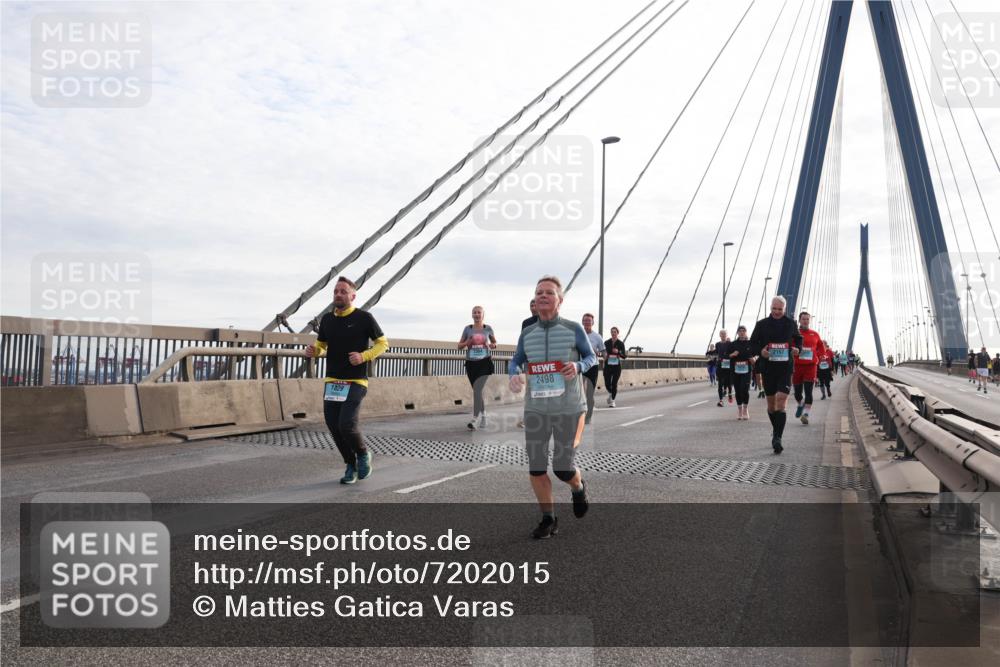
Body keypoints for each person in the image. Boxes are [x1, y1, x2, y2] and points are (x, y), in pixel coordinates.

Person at [509, 275, 596, 539]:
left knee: (562, 468)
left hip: (569, 407)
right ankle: (548, 518)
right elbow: (516, 361)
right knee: (536, 467)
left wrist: (579, 366)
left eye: (548, 292)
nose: (542, 296)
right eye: (538, 293)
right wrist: (513, 374)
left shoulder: (573, 329)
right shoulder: (527, 333)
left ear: (560, 300)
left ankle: (578, 486)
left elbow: (591, 356)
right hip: (536, 408)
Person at [306, 276, 389, 484]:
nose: (338, 294)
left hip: (356, 380)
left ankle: (363, 454)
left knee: (346, 424)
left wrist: (364, 356)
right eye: (335, 291)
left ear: (353, 296)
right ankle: (350, 464)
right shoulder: (327, 319)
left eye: (343, 291)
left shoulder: (364, 318)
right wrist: (313, 351)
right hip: (333, 380)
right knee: (334, 427)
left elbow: (383, 344)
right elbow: (321, 346)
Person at [749, 296, 801, 454]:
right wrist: (761, 352)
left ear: (784, 309)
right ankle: (776, 429)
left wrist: (798, 348)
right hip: (768, 368)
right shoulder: (761, 324)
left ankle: (777, 438)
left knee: (781, 400)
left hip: (785, 368)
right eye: (774, 309)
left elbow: (798, 339)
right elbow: (752, 344)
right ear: (770, 308)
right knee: (771, 406)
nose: (777, 312)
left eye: (780, 309)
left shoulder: (791, 323)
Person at [458, 306, 497, 430]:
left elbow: (494, 344)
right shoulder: (467, 329)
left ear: (483, 314)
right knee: (477, 391)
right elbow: (459, 346)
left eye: (479, 312)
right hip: (471, 364)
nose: (476, 314)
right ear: (472, 315)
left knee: (477, 389)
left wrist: (490, 345)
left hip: (484, 363)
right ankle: (484, 416)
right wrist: (467, 343)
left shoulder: (488, 328)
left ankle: (474, 419)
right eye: (474, 312)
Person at [792, 311, 826, 425]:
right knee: (797, 393)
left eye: (807, 319)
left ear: (809, 320)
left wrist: (822, 355)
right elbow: (789, 346)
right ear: (799, 320)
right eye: (803, 319)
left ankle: (806, 414)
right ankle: (800, 404)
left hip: (811, 366)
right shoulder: (794, 333)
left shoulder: (815, 334)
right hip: (796, 366)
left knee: (808, 391)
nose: (805, 321)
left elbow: (821, 346)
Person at [727, 325, 755, 420]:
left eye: (744, 331)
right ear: (737, 333)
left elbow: (756, 354)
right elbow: (726, 356)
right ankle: (739, 410)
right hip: (735, 371)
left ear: (746, 332)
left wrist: (754, 359)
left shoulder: (750, 343)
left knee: (745, 390)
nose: (742, 332)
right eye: (740, 331)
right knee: (738, 391)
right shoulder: (733, 344)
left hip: (747, 370)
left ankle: (745, 409)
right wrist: (732, 354)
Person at [582, 313, 604, 424]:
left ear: (592, 323)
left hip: (592, 367)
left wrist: (598, 353)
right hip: (580, 366)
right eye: (585, 320)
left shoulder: (597, 337)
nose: (587, 322)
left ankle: (588, 416)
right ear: (582, 322)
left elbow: (604, 353)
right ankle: (579, 415)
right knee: (578, 393)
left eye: (589, 321)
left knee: (589, 394)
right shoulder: (578, 335)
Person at [603, 327, 627, 408]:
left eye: (614, 332)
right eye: (612, 332)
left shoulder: (620, 343)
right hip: (608, 365)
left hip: (616, 366)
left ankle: (612, 401)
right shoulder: (606, 342)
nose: (613, 333)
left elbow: (624, 356)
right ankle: (610, 394)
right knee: (607, 383)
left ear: (617, 333)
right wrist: (604, 355)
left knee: (614, 384)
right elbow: (603, 353)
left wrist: (618, 352)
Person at [714, 330, 733, 407]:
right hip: (720, 365)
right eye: (722, 334)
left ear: (726, 335)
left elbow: (732, 353)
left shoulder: (730, 344)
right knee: (720, 384)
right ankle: (721, 400)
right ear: (719, 335)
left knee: (728, 382)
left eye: (724, 334)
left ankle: (730, 393)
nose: (723, 335)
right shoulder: (717, 344)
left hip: (728, 365)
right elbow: (716, 353)